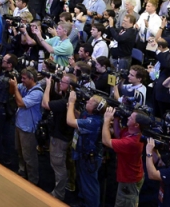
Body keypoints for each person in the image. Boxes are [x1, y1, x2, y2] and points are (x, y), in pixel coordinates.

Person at [66, 89, 105, 207]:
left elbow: (70, 121)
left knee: (90, 185)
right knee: (82, 182)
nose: (88, 101)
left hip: (90, 158)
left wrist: (72, 103)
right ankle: (83, 202)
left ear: (97, 108)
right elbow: (79, 119)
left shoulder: (94, 121)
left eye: (91, 102)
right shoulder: (88, 115)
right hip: (82, 154)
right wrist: (72, 109)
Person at [101, 106, 146, 207]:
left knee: (125, 203)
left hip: (129, 180)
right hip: (130, 176)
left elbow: (106, 141)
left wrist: (107, 120)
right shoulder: (131, 132)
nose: (128, 117)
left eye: (131, 117)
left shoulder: (133, 142)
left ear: (136, 125)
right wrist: (116, 119)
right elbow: (118, 134)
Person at [41, 72, 76, 201]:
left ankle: (59, 194)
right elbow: (56, 97)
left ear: (70, 86)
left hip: (59, 137)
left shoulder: (65, 102)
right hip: (65, 136)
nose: (60, 83)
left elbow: (45, 104)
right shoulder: (70, 98)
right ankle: (67, 185)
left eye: (63, 82)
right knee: (62, 164)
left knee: (58, 166)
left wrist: (48, 84)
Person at [10, 68, 44, 185]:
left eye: (24, 78)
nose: (22, 81)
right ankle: (22, 172)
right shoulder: (25, 87)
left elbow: (21, 103)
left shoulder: (37, 93)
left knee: (29, 157)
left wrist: (15, 87)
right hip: (20, 125)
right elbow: (12, 90)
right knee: (20, 152)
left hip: (29, 129)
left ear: (32, 79)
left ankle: (33, 181)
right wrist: (12, 83)